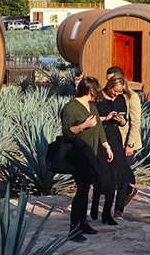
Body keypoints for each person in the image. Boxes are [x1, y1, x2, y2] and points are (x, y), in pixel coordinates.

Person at [60, 76, 114, 241]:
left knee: (85, 189)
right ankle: (74, 227)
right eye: (96, 90)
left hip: (92, 154)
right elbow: (67, 132)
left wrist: (106, 146)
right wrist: (83, 126)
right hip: (78, 154)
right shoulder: (71, 108)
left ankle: (82, 222)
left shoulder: (92, 107)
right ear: (91, 90)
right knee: (82, 190)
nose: (98, 93)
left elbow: (99, 128)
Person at [93, 75, 136, 224]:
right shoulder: (98, 97)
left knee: (116, 174)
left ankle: (109, 212)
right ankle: (95, 205)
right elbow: (91, 118)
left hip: (114, 138)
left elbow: (125, 122)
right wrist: (106, 117)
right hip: (100, 137)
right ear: (109, 86)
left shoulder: (120, 99)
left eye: (119, 92)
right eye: (115, 92)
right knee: (100, 172)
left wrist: (122, 120)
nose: (116, 95)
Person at [105, 66, 142, 213]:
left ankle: (118, 210)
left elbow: (135, 123)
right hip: (112, 141)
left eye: (110, 80)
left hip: (127, 142)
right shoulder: (108, 95)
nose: (107, 83)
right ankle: (129, 190)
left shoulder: (132, 97)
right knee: (112, 174)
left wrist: (130, 144)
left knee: (121, 175)